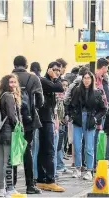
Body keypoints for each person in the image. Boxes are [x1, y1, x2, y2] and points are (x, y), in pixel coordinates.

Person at [12, 55, 43, 194]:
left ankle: (10, 186)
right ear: (26, 65)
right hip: (29, 119)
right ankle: (30, 185)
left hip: (12, 119)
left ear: (14, 64)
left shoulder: (8, 78)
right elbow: (40, 101)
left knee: (12, 151)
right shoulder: (33, 78)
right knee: (27, 151)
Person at [67, 72, 107, 180]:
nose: (86, 80)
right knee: (77, 146)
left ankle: (89, 170)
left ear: (92, 79)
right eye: (84, 78)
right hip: (78, 120)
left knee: (89, 147)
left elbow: (103, 109)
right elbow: (70, 105)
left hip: (90, 120)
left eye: (88, 78)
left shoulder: (97, 92)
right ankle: (77, 168)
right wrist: (72, 115)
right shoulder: (76, 91)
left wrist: (95, 118)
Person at [35, 61, 65, 192]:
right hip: (44, 119)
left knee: (44, 150)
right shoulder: (43, 81)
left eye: (59, 70)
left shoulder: (48, 83)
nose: (57, 72)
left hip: (47, 118)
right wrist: (56, 77)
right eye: (55, 70)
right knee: (50, 150)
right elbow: (60, 87)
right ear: (48, 70)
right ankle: (50, 179)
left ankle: (42, 179)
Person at [0, 74, 22, 197]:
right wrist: (19, 128)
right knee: (8, 162)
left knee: (0, 161)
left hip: (0, 132)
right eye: (10, 82)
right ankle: (9, 189)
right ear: (6, 83)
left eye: (15, 82)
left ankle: (1, 189)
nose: (13, 85)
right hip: (9, 132)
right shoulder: (9, 96)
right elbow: (12, 116)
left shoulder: (1, 96)